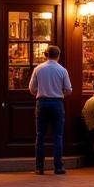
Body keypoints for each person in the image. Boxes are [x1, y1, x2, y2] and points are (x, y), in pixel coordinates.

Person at [28, 45, 72, 175]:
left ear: (46, 55)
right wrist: (61, 94)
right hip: (57, 103)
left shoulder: (38, 69)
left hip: (42, 103)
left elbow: (31, 89)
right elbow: (69, 89)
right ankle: (58, 167)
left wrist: (41, 91)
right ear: (58, 55)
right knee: (57, 135)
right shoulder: (62, 70)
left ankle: (39, 167)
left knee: (40, 135)